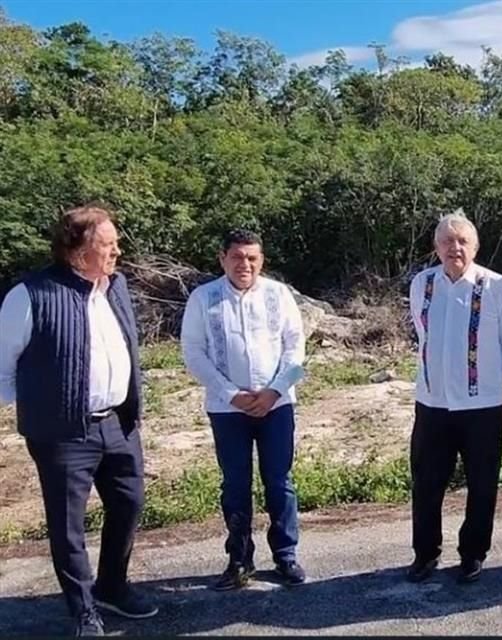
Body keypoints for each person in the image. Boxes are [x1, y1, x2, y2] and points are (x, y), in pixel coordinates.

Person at [0, 205, 157, 636]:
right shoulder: (30, 295)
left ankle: (111, 586)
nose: (117, 251)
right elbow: (3, 364)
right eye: (108, 244)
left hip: (119, 424)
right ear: (77, 251)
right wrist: (39, 408)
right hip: (63, 433)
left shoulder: (115, 286)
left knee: (129, 503)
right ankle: (83, 608)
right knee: (69, 525)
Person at [181, 229, 307, 591]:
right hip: (226, 409)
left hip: (277, 405)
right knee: (235, 484)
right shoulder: (204, 298)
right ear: (222, 258)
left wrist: (274, 391)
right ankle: (239, 559)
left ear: (262, 260)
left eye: (252, 258)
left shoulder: (278, 294)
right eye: (237, 257)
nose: (245, 264)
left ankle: (286, 555)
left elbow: (295, 348)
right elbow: (193, 352)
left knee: (280, 482)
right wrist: (230, 393)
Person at [405, 210, 502, 584]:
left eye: (462, 241)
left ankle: (473, 553)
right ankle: (425, 554)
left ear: (475, 245)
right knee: (427, 483)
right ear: (436, 246)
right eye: (446, 241)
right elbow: (421, 338)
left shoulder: (495, 286)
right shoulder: (421, 283)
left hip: (482, 407)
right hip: (433, 404)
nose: (454, 247)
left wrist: (481, 381)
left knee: (482, 483)